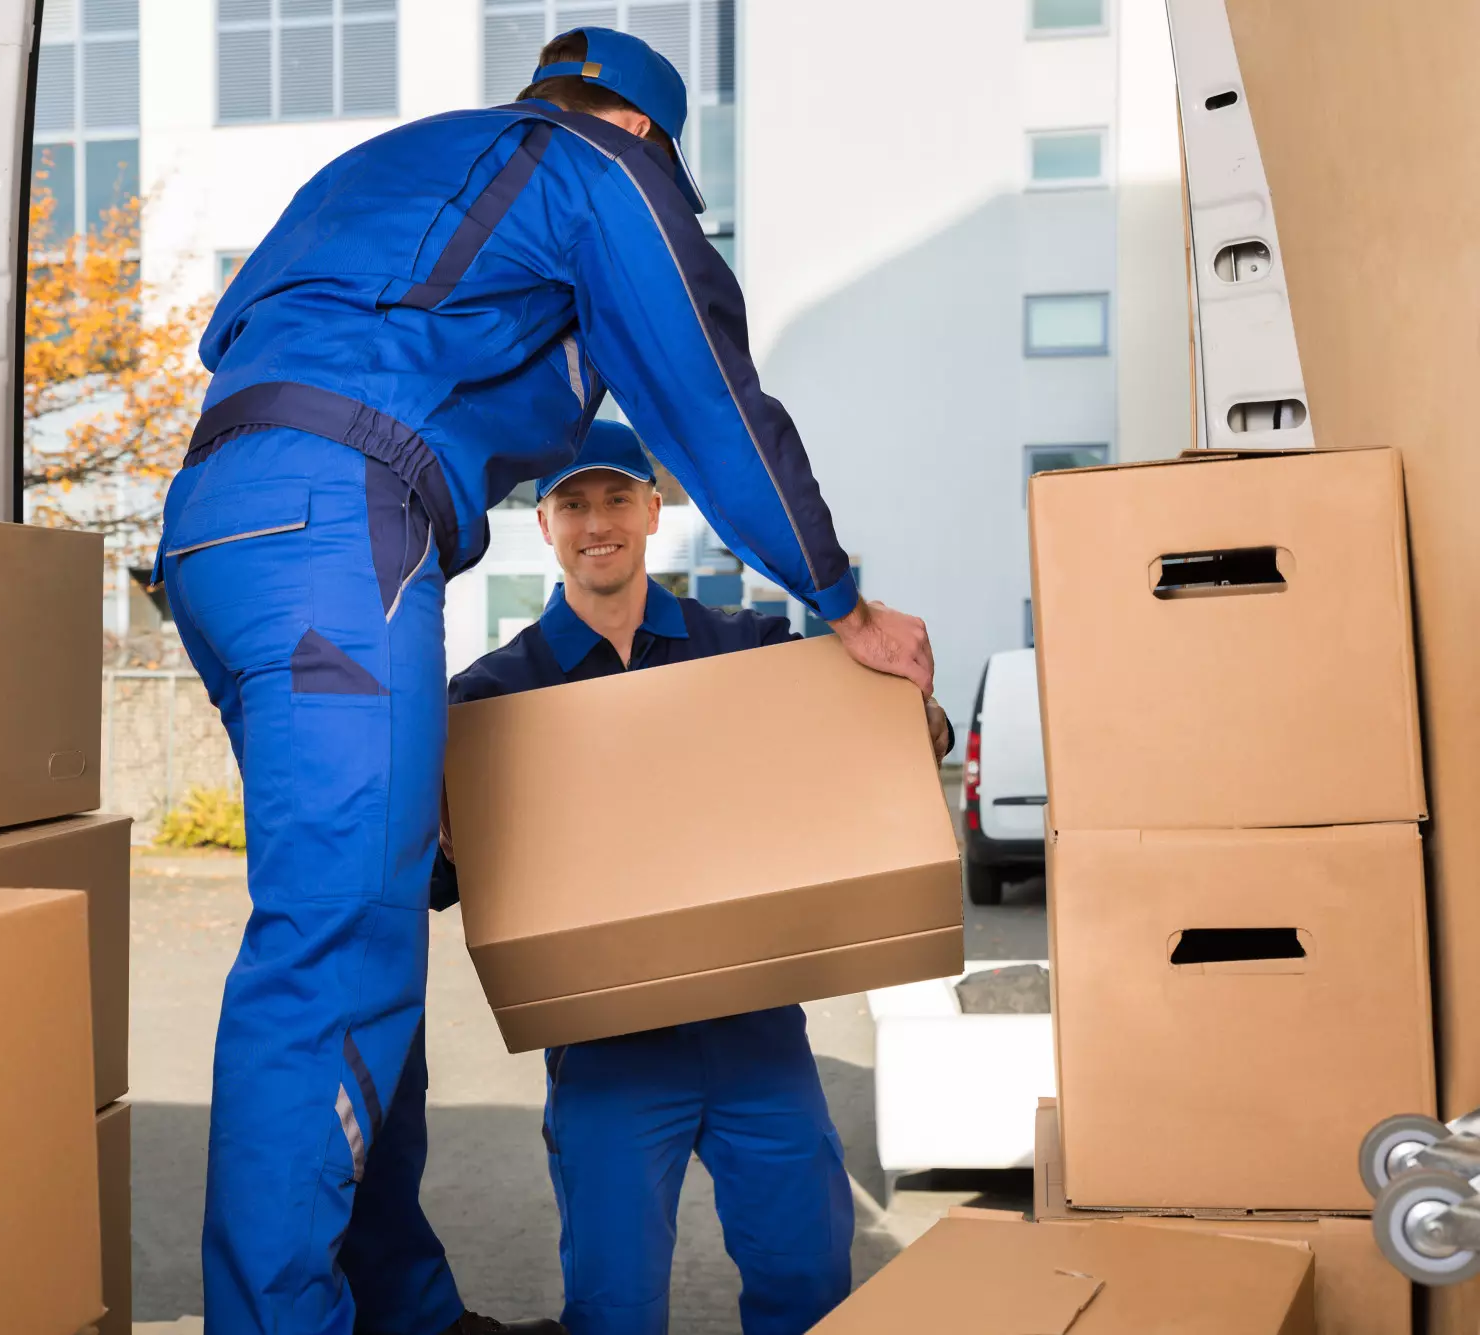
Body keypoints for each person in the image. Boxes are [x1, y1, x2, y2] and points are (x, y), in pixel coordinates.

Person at [151, 24, 937, 1335]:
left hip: (224, 528)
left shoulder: (399, 169)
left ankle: (401, 1305)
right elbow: (708, 391)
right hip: (343, 520)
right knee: (332, 948)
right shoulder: (593, 170)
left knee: (362, 916)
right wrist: (838, 593)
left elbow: (245, 342)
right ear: (647, 138)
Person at [430, 423, 952, 1335]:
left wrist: (922, 722)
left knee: (810, 1285)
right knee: (614, 1309)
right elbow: (440, 878)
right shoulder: (491, 700)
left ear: (653, 511)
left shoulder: (744, 647)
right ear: (544, 523)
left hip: (758, 1034)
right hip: (608, 1051)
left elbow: (861, 745)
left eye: (618, 499)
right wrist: (436, 826)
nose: (599, 523)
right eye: (575, 505)